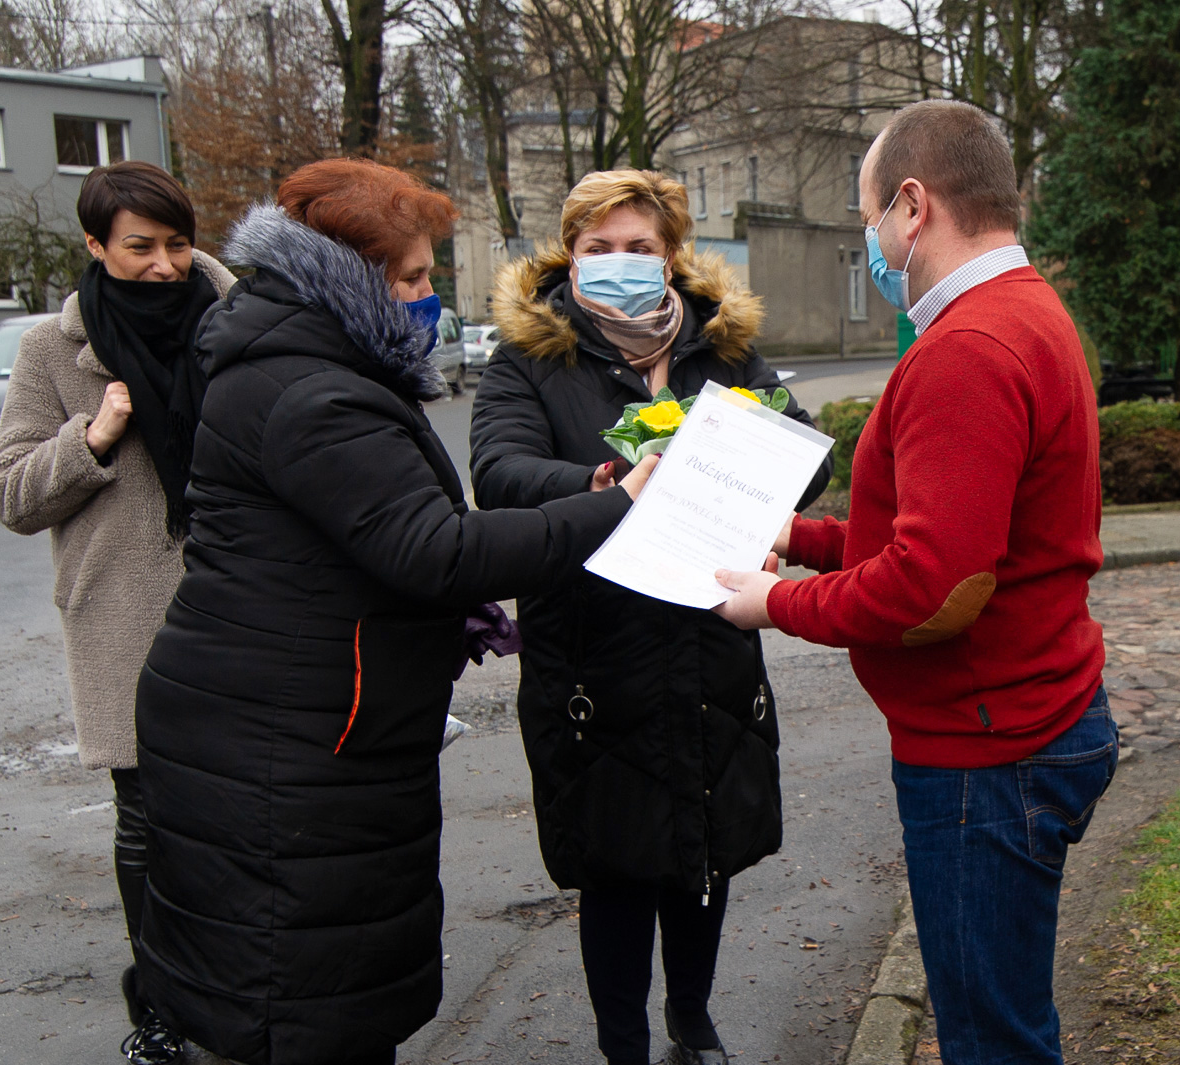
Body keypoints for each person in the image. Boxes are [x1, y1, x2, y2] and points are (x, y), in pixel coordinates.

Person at [131, 159, 658, 1065]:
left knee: (316, 986)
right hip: (284, 746)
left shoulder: (304, 360)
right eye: (413, 277)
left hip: (292, 722)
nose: (428, 296)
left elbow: (356, 543)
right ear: (348, 277)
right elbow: (434, 548)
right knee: (299, 1004)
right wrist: (623, 503)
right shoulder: (312, 389)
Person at [713, 100, 1116, 1065]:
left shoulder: (968, 348)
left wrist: (772, 602)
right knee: (1005, 1018)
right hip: (1026, 724)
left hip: (988, 755)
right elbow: (950, 535)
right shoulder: (1021, 310)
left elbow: (936, 587)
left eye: (866, 219)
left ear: (911, 205)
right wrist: (803, 536)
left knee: (992, 1040)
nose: (871, 242)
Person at [468, 169, 830, 1065]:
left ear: (671, 254)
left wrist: (752, 465)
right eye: (600, 249)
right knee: (617, 861)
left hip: (710, 632)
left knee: (703, 847)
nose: (620, 264)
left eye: (639, 247)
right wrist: (600, 484)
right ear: (570, 256)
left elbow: (803, 454)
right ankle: (623, 1040)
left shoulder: (726, 348)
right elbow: (500, 471)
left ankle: (693, 1019)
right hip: (597, 650)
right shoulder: (532, 359)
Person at [0, 161, 236, 1054]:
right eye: (140, 248)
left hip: (240, 607)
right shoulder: (53, 353)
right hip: (126, 619)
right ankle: (161, 1010)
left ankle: (246, 996)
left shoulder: (242, 323)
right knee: (150, 822)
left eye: (178, 243)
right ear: (95, 246)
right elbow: (11, 495)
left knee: (246, 818)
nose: (166, 265)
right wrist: (87, 437)